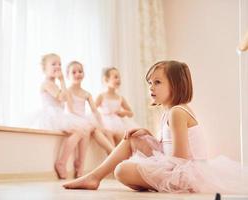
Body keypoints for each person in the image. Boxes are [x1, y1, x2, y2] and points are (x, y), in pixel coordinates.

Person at [63, 60, 248, 194]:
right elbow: (168, 147)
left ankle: (98, 177)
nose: (151, 87)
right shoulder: (169, 112)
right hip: (177, 167)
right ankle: (94, 177)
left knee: (121, 170)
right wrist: (149, 136)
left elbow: (181, 160)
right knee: (133, 138)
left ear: (176, 86)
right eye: (150, 83)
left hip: (185, 175)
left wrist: (151, 164)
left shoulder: (177, 113)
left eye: (157, 82)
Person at [39, 53, 88, 179]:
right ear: (44, 68)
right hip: (51, 115)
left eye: (59, 64)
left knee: (82, 130)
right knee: (79, 131)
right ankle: (61, 162)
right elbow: (62, 97)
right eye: (53, 64)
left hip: (59, 114)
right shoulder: (47, 83)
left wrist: (61, 82)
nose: (58, 66)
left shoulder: (54, 84)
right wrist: (62, 80)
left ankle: (78, 163)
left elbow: (65, 99)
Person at [66, 61, 115, 177]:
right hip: (73, 118)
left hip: (83, 119)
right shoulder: (68, 91)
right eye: (74, 72)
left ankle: (112, 152)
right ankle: (82, 164)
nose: (78, 74)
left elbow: (95, 111)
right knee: (89, 128)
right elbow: (71, 110)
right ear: (68, 75)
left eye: (80, 71)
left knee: (95, 129)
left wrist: (102, 125)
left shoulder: (86, 93)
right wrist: (85, 121)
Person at [96, 67, 140, 146]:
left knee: (124, 143)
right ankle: (112, 154)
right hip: (105, 123)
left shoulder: (120, 98)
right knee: (110, 142)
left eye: (119, 77)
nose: (118, 80)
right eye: (115, 77)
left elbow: (131, 113)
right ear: (106, 79)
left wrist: (124, 112)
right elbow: (93, 110)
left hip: (118, 124)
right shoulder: (101, 96)